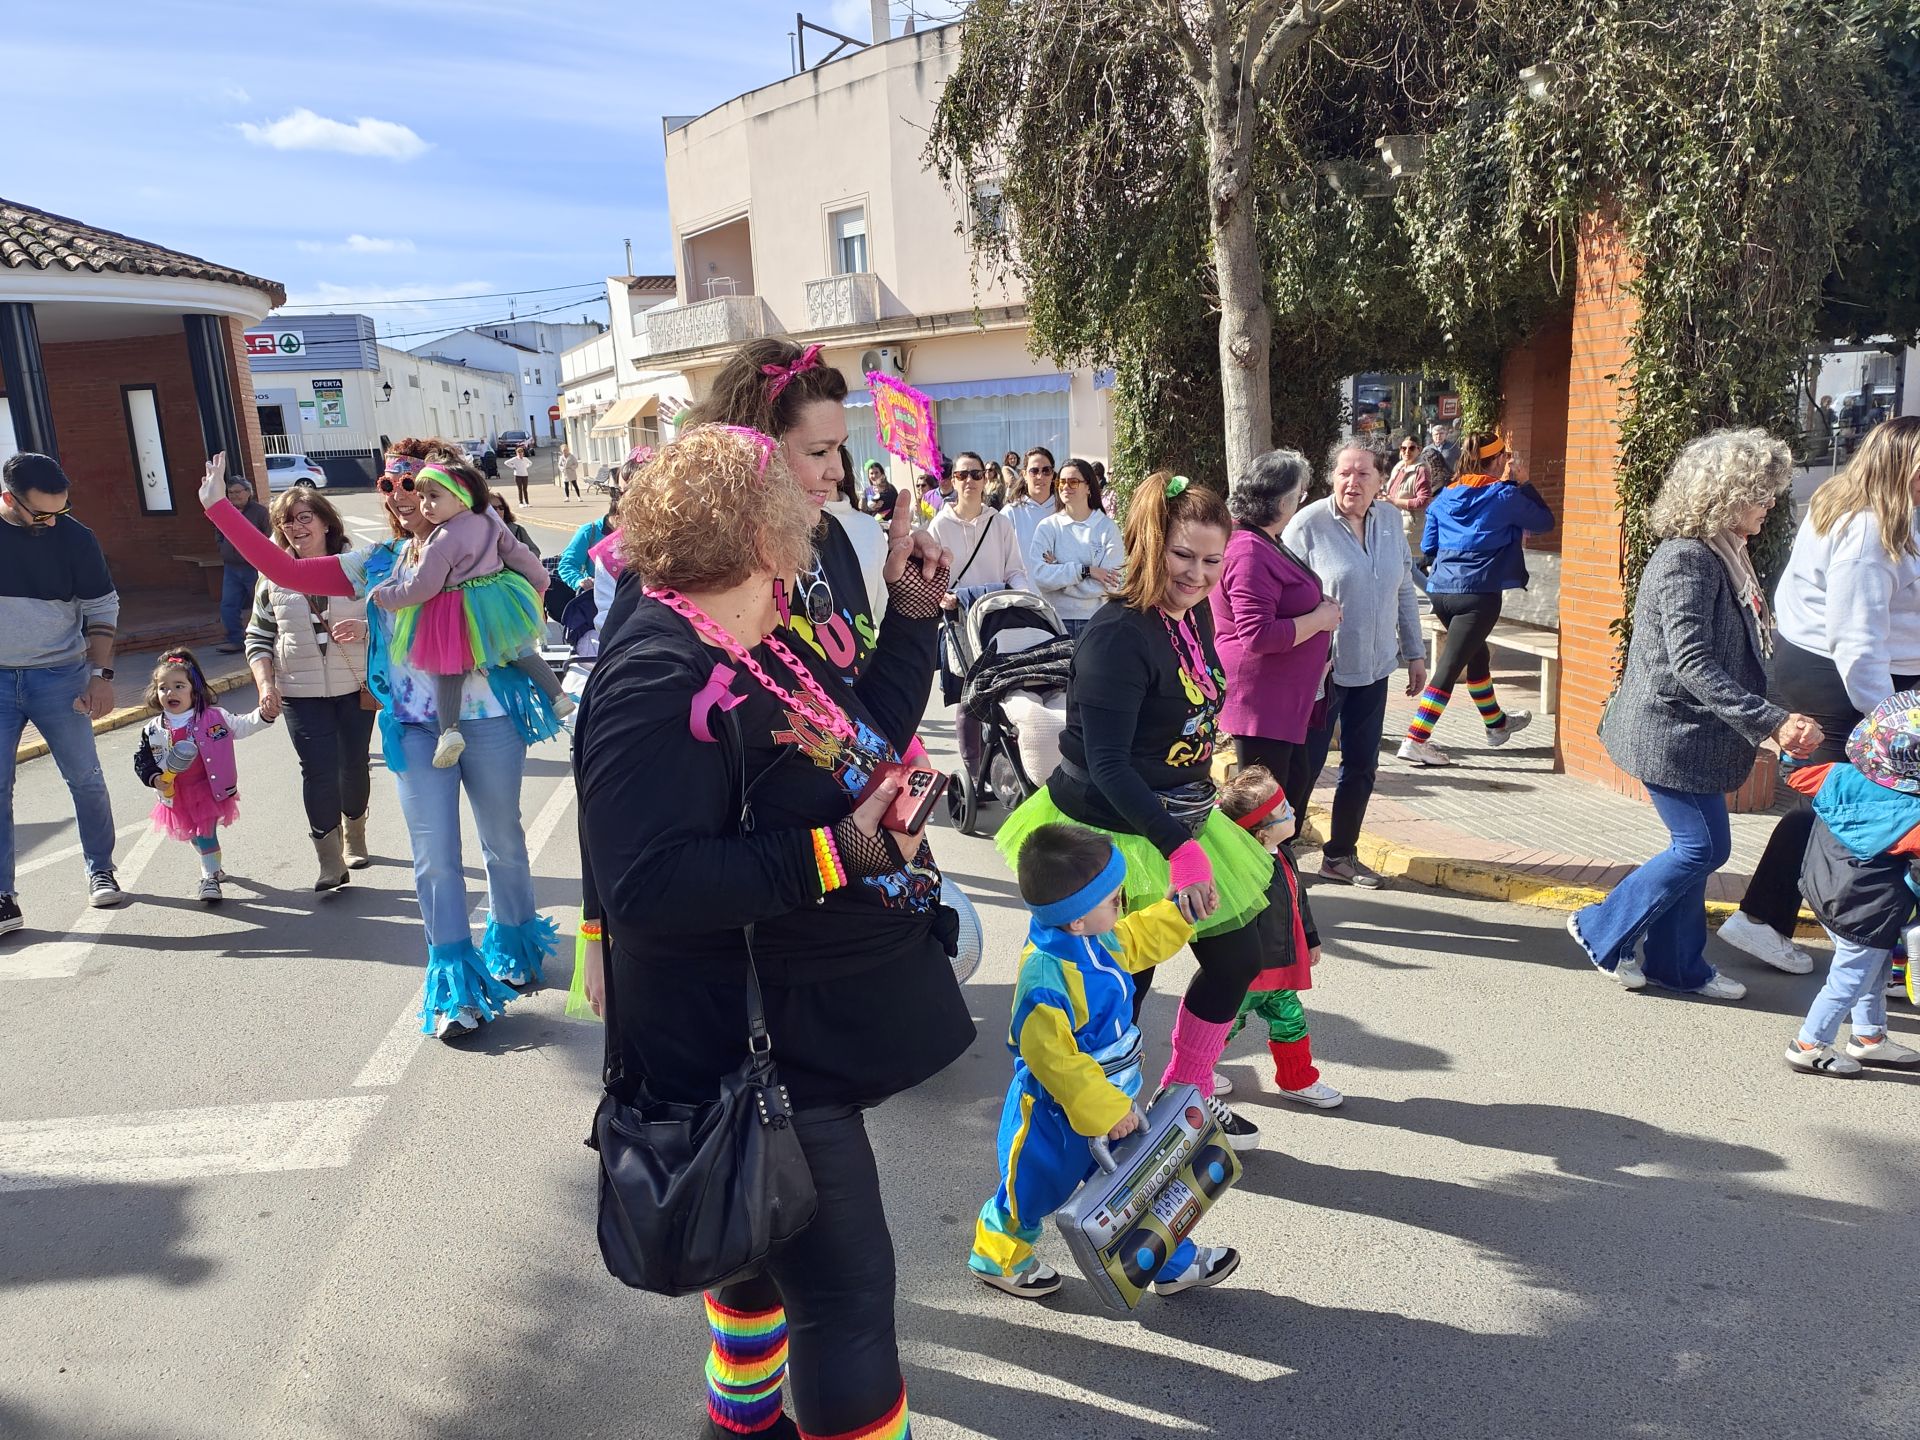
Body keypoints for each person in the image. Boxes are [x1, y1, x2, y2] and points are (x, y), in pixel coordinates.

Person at [575, 425, 969, 1440]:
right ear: (767, 536)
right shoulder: (655, 674)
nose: (823, 497)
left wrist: (914, 615)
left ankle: (738, 1428)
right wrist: (843, 853)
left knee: (755, 1241)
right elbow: (645, 885)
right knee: (845, 1303)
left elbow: (860, 737)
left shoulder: (762, 637)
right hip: (750, 1048)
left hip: (791, 1027)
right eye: (803, 496)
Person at [200, 443, 563, 1040]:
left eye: (411, 483)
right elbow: (285, 571)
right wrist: (220, 509)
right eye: (390, 487)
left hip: (490, 717)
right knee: (435, 858)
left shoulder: (484, 543)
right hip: (417, 726)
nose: (400, 495)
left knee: (502, 841)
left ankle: (515, 940)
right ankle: (454, 989)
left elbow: (534, 593)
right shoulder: (375, 562)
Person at [996, 475, 1274, 1145]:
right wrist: (1179, 848)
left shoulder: (1193, 614)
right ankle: (1082, 1128)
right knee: (1116, 994)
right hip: (1110, 828)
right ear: (1152, 542)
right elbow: (1110, 765)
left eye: (1213, 561)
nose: (1199, 575)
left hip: (1177, 815)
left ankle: (1186, 1095)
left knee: (1238, 955)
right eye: (1184, 556)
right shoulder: (1117, 635)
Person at [1565, 430, 1822, 999]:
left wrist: (1776, 712)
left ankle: (1679, 966)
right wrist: (1770, 723)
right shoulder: (1688, 559)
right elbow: (1693, 664)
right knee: (1702, 849)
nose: (1770, 502)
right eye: (1760, 492)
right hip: (1669, 733)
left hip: (1697, 738)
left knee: (1700, 850)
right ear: (1725, 495)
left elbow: (1747, 652)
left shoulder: (1727, 556)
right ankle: (1601, 922)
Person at [967, 822, 1238, 1300]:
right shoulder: (1045, 978)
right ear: (1076, 919)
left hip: (1114, 1102)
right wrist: (1109, 1111)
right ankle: (998, 1255)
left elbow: (1136, 937)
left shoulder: (1096, 939)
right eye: (1113, 898)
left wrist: (1180, 913)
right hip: (1053, 1115)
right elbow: (1057, 1063)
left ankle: (1171, 1263)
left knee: (1137, 1186)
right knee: (1028, 1192)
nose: (1122, 903)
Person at [1721, 415, 1920, 975]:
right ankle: (1770, 920)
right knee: (1841, 804)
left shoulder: (1873, 506)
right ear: (1907, 466)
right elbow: (1856, 639)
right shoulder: (1866, 529)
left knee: (1840, 804)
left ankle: (1780, 920)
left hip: (1851, 673)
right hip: (1841, 678)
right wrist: (1890, 722)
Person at [1282, 437, 1428, 887]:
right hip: (1321, 674)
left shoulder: (1388, 520)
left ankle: (1340, 855)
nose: (1352, 482)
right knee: (1302, 769)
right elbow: (1282, 596)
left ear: (1381, 481)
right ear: (1331, 477)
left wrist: (1415, 652)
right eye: (1344, 472)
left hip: (1375, 668)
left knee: (1362, 766)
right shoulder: (1307, 525)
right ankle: (1278, 862)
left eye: (1363, 473)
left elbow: (1404, 589)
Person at [368, 456, 570, 769]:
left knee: (449, 671)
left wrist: (390, 597)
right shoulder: (489, 518)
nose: (426, 506)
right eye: (423, 498)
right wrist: (541, 580)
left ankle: (449, 731)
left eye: (434, 497)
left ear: (461, 497)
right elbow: (518, 553)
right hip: (497, 598)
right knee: (518, 649)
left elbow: (424, 587)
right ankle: (558, 696)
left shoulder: (441, 541)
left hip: (454, 608)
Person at [0, 452, 123, 930]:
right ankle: (3, 896)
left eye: (61, 510)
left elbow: (101, 606)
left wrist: (101, 676)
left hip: (59, 676)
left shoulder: (75, 538)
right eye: (43, 513)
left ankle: (102, 870)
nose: (54, 521)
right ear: (10, 499)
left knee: (85, 777)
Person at [1778, 693, 1920, 1074]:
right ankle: (1809, 1044)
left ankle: (1869, 1036)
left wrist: (1793, 749)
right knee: (1850, 979)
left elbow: (1792, 773)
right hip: (1869, 911)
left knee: (1870, 970)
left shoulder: (1837, 775)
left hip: (1823, 889)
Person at [245, 487, 376, 889]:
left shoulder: (360, 568)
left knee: (352, 764)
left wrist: (365, 628)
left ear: (325, 522)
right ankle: (329, 859)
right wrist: (266, 685)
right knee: (317, 771)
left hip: (354, 687)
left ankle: (354, 832)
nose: (296, 527)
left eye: (305, 517)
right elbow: (258, 636)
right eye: (288, 520)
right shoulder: (272, 577)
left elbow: (397, 625)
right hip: (299, 691)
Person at [1399, 430, 1554, 765]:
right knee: (1450, 667)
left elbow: (1429, 547)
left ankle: (1496, 725)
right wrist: (1524, 483)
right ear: (1497, 460)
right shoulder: (1503, 495)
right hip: (1478, 595)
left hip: (1441, 592)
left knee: (1476, 656)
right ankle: (1416, 738)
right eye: (1506, 458)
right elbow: (1544, 522)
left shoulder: (1445, 495)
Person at [1214, 448, 1341, 833]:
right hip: (1262, 702)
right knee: (1266, 810)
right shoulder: (1249, 549)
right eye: (1301, 495)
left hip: (1280, 701)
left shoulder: (1263, 540)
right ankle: (1263, 883)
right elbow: (1257, 635)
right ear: (1284, 499)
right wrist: (1319, 618)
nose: (1301, 502)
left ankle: (1279, 880)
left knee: (1291, 790)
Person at [1215, 766, 1339, 1108]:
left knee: (1291, 1021)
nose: (1294, 811)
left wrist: (1311, 939)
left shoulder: (1284, 853)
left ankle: (1296, 1079)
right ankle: (1196, 1072)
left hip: (1283, 966)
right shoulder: (1240, 868)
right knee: (1222, 1024)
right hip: (1247, 972)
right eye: (1284, 810)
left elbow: (1300, 900)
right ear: (1259, 832)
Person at [131, 649, 274, 904]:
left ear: (194, 691)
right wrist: (154, 778)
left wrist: (265, 715)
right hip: (176, 794)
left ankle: (209, 878)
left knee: (206, 833)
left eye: (178, 686)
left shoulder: (213, 718)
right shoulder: (153, 729)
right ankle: (214, 865)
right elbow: (142, 760)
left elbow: (242, 726)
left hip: (208, 789)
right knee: (194, 835)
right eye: (163, 688)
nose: (171, 693)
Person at [929, 451, 1030, 770]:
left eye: (976, 474)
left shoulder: (999, 523)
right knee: (965, 698)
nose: (969, 481)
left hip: (998, 617)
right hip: (958, 621)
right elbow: (930, 576)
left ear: (986, 479)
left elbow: (1015, 570)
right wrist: (941, 597)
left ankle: (1003, 764)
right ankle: (974, 771)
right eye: (962, 475)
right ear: (952, 481)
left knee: (1002, 691)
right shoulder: (939, 526)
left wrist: (1023, 592)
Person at [1027, 457, 1123, 639]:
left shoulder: (1107, 528)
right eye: (1061, 481)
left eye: (1073, 482)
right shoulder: (1048, 527)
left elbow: (1112, 585)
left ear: (1088, 487)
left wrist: (1059, 574)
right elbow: (1040, 577)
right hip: (1055, 621)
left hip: (1097, 621)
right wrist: (1086, 571)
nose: (1065, 487)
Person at [827, 444, 888, 624]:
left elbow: (884, 607)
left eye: (822, 452)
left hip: (861, 647)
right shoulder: (779, 528)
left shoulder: (867, 527)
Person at [216, 476, 270, 654]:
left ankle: (268, 639)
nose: (234, 496)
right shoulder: (225, 511)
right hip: (231, 567)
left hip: (254, 566)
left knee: (262, 604)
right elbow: (219, 534)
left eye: (238, 492)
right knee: (228, 605)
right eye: (230, 492)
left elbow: (270, 537)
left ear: (248, 492)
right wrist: (222, 547)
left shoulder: (260, 512)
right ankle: (235, 640)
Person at [1004, 446, 1060, 559]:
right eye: (1034, 471)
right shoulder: (1011, 513)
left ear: (1052, 474)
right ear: (1024, 474)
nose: (1040, 476)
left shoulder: (1065, 509)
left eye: (1046, 470)